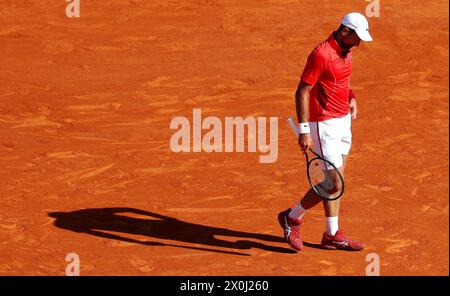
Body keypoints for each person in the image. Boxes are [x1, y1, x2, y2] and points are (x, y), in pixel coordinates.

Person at [279, 12, 373, 251]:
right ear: (345, 32)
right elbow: (302, 91)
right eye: (357, 37)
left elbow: (341, 82)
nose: (360, 43)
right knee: (333, 184)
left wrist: (351, 97)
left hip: (343, 121)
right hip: (324, 125)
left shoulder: (346, 51)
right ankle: (292, 217)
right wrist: (303, 130)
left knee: (337, 183)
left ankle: (331, 234)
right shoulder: (321, 54)